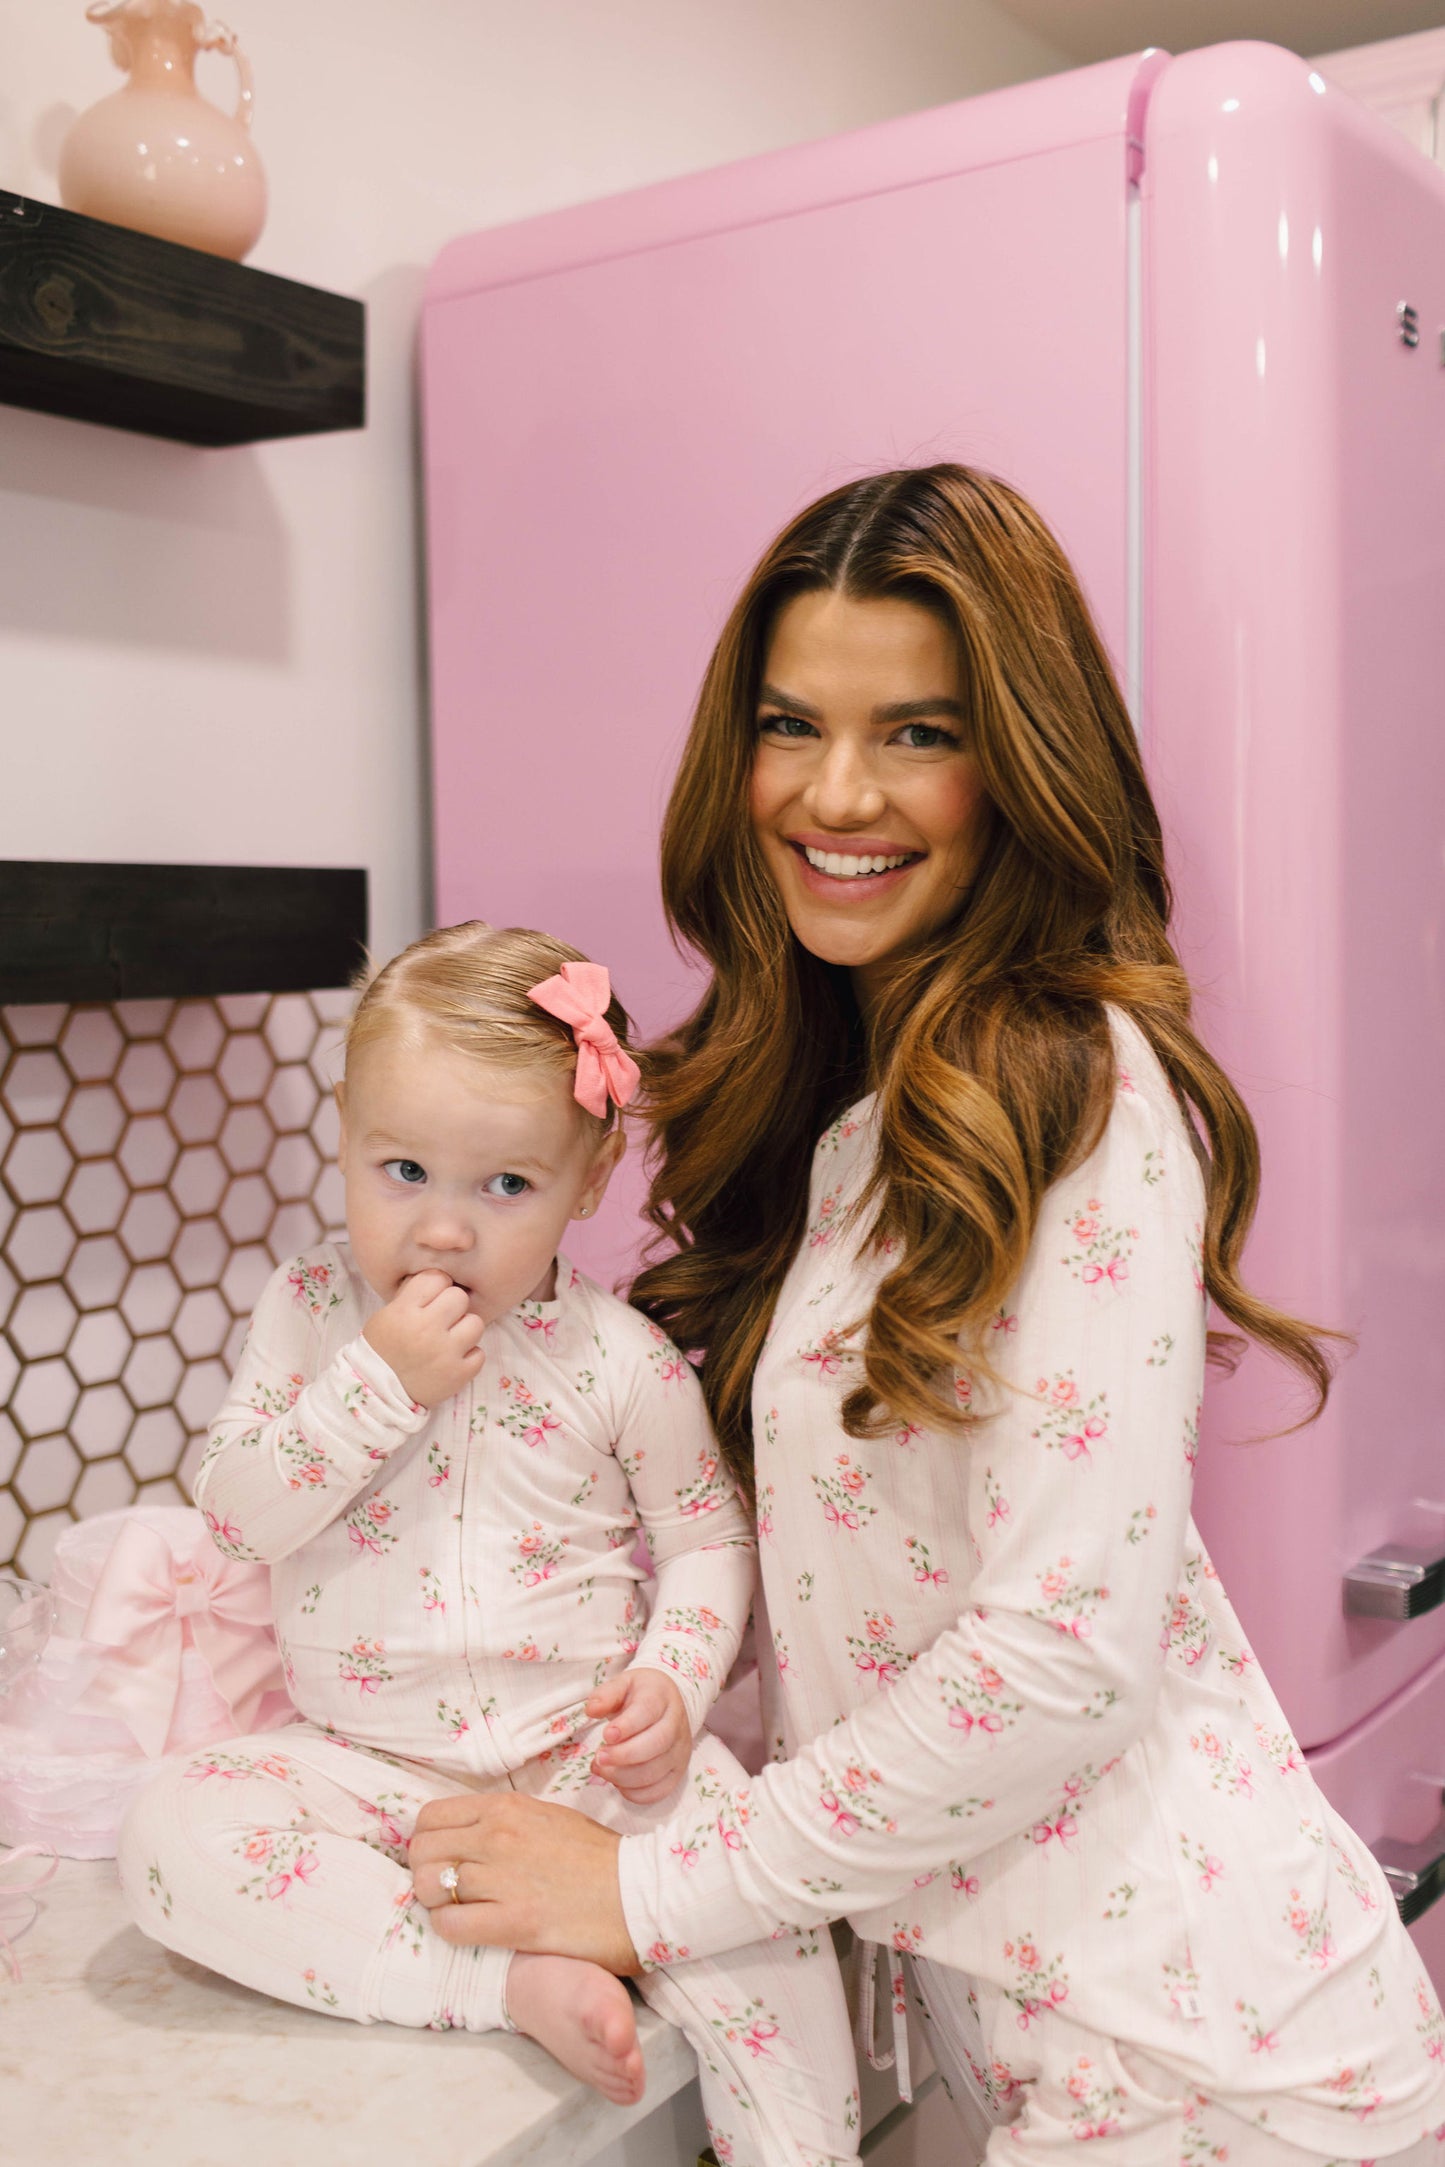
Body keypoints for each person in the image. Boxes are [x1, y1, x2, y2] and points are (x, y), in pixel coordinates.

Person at [405, 469, 1445, 2164]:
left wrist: (648, 1885)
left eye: (918, 733)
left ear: (1020, 762)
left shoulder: (1081, 1087)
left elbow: (1058, 1653)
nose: (834, 791)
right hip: (1079, 2050)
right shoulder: (873, 1102)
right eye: (793, 723)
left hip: (1210, 2074)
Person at [117, 924, 862, 2167]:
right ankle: (493, 1980)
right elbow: (239, 1512)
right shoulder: (308, 1315)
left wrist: (673, 1684)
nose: (445, 1231)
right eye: (401, 1169)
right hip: (368, 1774)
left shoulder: (612, 1355)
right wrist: (372, 1388)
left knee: (757, 1896)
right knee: (175, 1832)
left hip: (583, 1766)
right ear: (344, 1127)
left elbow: (704, 1537)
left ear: (585, 1180)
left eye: (504, 1186)